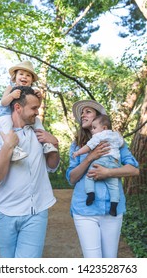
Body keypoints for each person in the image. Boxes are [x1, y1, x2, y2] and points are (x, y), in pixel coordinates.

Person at [0, 86, 60, 258]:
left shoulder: (39, 134)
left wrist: (55, 145)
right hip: (4, 213)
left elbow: (52, 167)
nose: (37, 113)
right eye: (33, 108)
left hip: (36, 211)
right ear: (18, 107)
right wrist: (8, 146)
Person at [66, 99, 139, 258]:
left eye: (88, 112)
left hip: (112, 210)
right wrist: (90, 157)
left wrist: (108, 173)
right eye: (81, 113)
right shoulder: (77, 145)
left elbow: (134, 170)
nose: (83, 115)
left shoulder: (116, 142)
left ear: (99, 119)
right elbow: (71, 178)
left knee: (109, 260)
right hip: (84, 210)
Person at [0, 60, 58, 161]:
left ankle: (46, 144)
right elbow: (3, 103)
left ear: (32, 80)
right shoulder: (11, 87)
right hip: (5, 114)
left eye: (28, 75)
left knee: (37, 121)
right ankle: (14, 149)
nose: (24, 77)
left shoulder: (32, 91)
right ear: (15, 77)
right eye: (21, 74)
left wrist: (40, 97)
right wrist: (11, 95)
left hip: (23, 119)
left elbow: (35, 107)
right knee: (7, 125)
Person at [73, 114, 124, 216]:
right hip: (114, 162)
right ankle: (113, 206)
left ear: (104, 128)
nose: (92, 130)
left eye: (94, 128)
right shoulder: (116, 135)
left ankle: (90, 193)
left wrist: (78, 153)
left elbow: (88, 147)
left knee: (90, 175)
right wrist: (119, 136)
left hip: (102, 160)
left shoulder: (99, 135)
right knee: (114, 186)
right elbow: (121, 144)